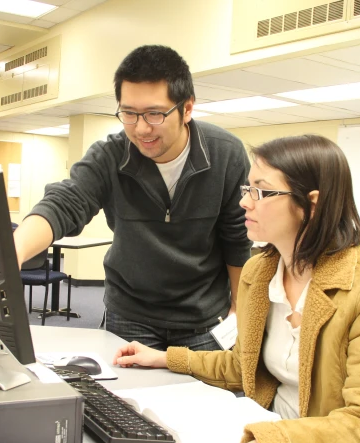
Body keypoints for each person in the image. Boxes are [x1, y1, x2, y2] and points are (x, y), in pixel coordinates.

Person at [112, 134, 360, 443]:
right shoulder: (260, 272)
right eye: (248, 188)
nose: (244, 201)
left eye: (261, 192)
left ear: (312, 204)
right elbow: (241, 365)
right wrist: (164, 358)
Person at [14, 45, 251, 351]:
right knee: (121, 399)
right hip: (131, 314)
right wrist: (13, 252)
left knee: (206, 396)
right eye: (128, 113)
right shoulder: (110, 155)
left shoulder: (225, 154)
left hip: (203, 317)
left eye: (154, 114)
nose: (140, 129)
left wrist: (239, 310)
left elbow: (237, 240)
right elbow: (65, 202)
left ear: (187, 109)